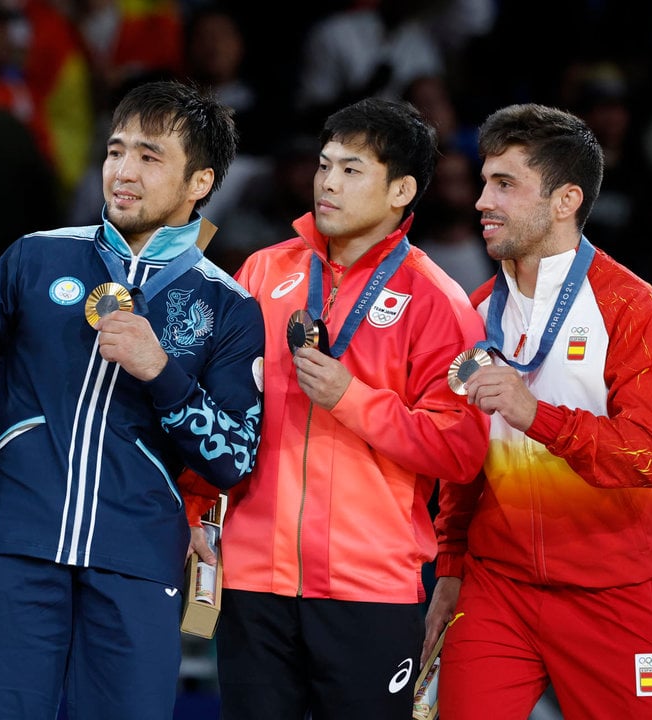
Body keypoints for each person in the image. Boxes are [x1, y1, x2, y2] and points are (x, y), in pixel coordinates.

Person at [0, 79, 265, 720]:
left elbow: (234, 457)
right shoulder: (34, 259)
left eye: (150, 157)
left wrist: (161, 370)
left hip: (137, 558)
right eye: (115, 151)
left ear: (200, 182)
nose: (123, 172)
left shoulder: (228, 306)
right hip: (16, 542)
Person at [182, 97, 491, 718]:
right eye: (325, 165)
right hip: (252, 577)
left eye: (352, 170)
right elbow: (219, 404)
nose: (327, 182)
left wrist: (351, 399)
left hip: (368, 590)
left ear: (402, 190)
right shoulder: (263, 272)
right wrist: (198, 508)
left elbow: (460, 450)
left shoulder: (437, 302)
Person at [424, 103, 652, 719]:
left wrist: (536, 415)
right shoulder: (477, 310)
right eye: (485, 181)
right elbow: (465, 462)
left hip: (613, 591)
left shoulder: (632, 310)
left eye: (505, 184)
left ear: (566, 200)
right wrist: (452, 569)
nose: (481, 200)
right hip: (497, 587)